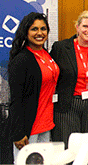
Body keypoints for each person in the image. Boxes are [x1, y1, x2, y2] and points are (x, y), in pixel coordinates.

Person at [50, 11, 88, 165]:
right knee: (68, 150)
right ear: (77, 27)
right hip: (68, 104)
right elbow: (51, 74)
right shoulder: (61, 48)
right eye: (85, 26)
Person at [8, 12, 59, 160]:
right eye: (34, 29)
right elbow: (16, 100)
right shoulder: (22, 60)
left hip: (46, 125)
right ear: (26, 32)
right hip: (29, 129)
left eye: (43, 29)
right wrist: (18, 133)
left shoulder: (46, 54)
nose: (39, 33)